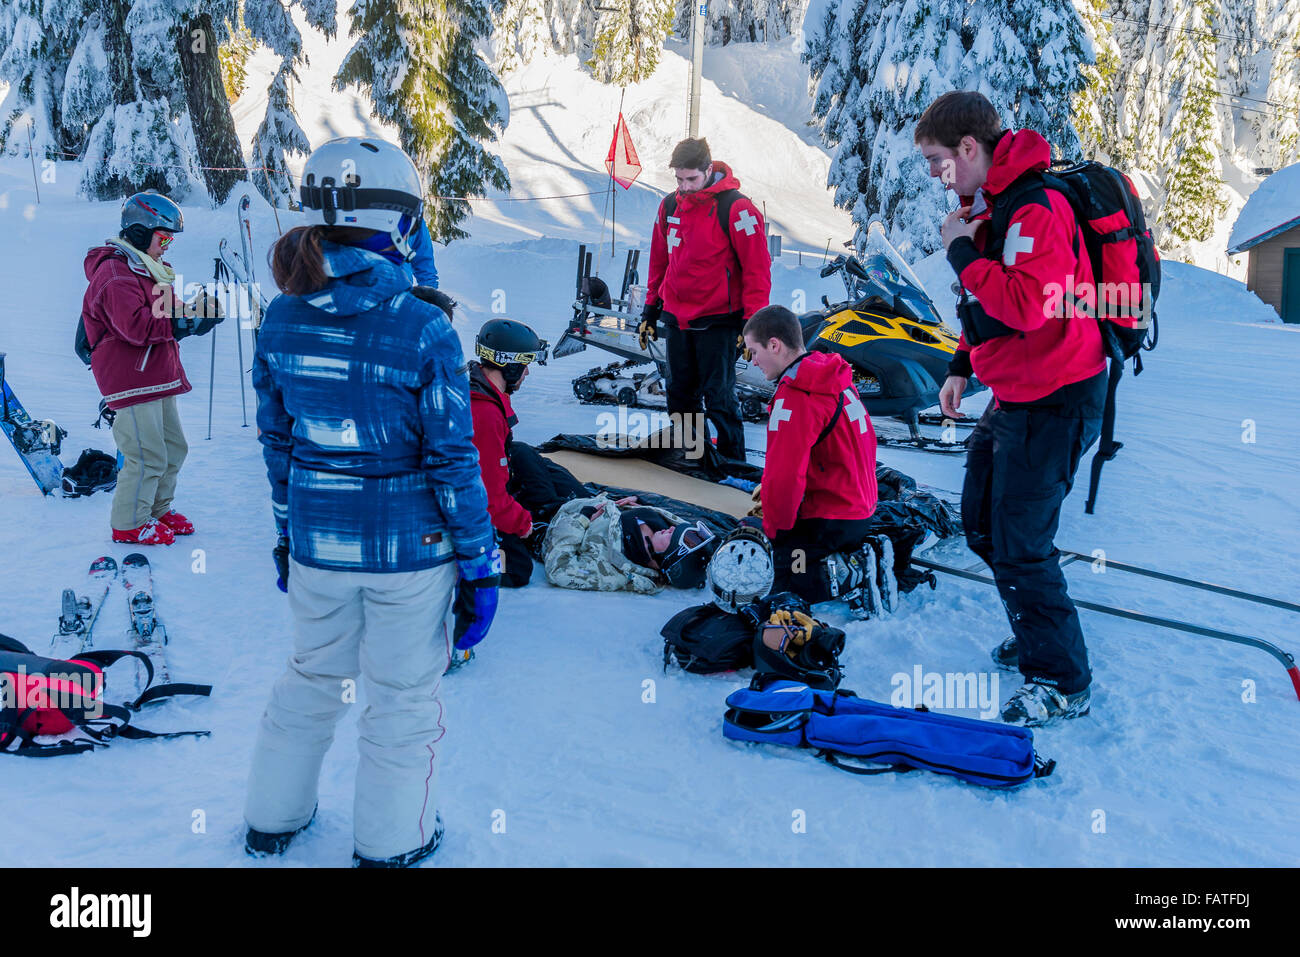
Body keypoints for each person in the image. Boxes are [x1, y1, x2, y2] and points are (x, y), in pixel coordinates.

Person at [243, 136, 499, 868]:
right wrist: (480, 562)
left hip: (320, 542)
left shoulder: (282, 317)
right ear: (398, 221)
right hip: (408, 554)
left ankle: (273, 817)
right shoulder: (423, 325)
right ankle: (394, 839)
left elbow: (278, 444)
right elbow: (453, 459)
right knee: (402, 698)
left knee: (310, 676)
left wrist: (289, 534)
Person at [915, 90, 1108, 727]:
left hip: (1057, 398)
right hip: (1017, 393)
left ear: (970, 148)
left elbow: (1026, 305)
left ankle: (1062, 679)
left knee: (1023, 544)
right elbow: (992, 311)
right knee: (981, 525)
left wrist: (960, 252)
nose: (939, 176)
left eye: (940, 161)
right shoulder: (996, 205)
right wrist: (962, 363)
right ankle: (1038, 637)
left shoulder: (1036, 207)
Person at [81, 191, 222, 545]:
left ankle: (155, 510)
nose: (168, 244)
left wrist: (195, 311)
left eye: (170, 237)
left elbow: (166, 315)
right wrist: (185, 322)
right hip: (131, 378)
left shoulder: (145, 268)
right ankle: (129, 523)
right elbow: (136, 326)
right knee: (146, 456)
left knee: (174, 449)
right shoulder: (115, 272)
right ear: (141, 232)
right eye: (163, 237)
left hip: (155, 375)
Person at [741, 305, 882, 616]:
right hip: (860, 508)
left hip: (833, 519)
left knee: (770, 573)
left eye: (753, 351)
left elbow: (784, 478)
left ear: (774, 345)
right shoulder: (832, 374)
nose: (752, 361)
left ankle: (846, 574)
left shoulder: (795, 395)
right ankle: (847, 556)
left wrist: (776, 532)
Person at [639, 137, 772, 462]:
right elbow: (660, 261)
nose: (684, 187)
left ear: (709, 170)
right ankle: (693, 459)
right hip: (677, 319)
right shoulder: (669, 206)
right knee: (680, 396)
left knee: (719, 399)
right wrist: (650, 309)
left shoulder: (736, 209)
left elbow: (758, 271)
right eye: (679, 180)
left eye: (692, 179)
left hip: (719, 322)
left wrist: (751, 325)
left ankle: (732, 468)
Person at [468, 317, 587, 588]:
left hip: (472, 493)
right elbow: (489, 498)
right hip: (464, 511)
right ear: (509, 366)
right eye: (524, 366)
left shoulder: (483, 394)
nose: (527, 373)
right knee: (516, 568)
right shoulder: (484, 413)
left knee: (523, 455)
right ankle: (454, 560)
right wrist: (523, 524)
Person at [542, 495, 717, 594]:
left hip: (550, 516)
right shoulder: (660, 530)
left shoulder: (613, 572)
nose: (671, 529)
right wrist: (636, 505)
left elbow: (560, 570)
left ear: (665, 559)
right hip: (585, 498)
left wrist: (580, 521)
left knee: (523, 455)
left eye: (673, 537)